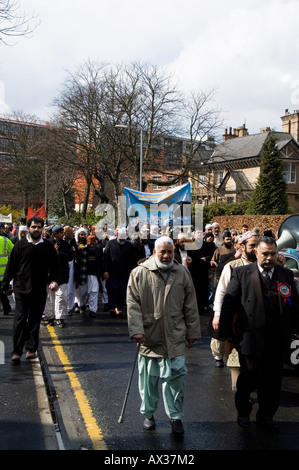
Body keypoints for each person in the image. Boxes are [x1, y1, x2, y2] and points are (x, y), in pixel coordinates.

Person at [218, 236, 299, 431]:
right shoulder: (241, 273)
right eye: (265, 254)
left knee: (272, 380)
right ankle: (243, 413)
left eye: (272, 253)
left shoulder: (285, 275)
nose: (269, 258)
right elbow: (229, 304)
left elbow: (294, 305)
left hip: (277, 338)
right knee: (248, 378)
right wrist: (225, 333)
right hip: (250, 337)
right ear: (256, 253)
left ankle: (266, 415)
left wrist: (296, 329)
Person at [127, 236, 201, 436]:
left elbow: (191, 305)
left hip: (175, 335)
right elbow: (132, 304)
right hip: (149, 337)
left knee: (176, 379)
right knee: (148, 381)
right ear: (154, 252)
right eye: (163, 252)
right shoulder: (139, 273)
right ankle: (148, 414)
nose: (167, 256)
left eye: (170, 252)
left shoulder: (183, 272)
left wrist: (193, 332)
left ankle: (175, 417)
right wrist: (136, 329)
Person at [2, 217, 59, 363]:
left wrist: (55, 280)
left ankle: (31, 349)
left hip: (39, 289)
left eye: (39, 227)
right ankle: (16, 351)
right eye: (34, 227)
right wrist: (5, 284)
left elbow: (55, 267)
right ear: (28, 228)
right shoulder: (20, 246)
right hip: (21, 289)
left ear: (42, 229)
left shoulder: (47, 247)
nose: (36, 230)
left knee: (34, 320)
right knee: (20, 319)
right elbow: (11, 266)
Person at [210, 232, 258, 369]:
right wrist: (217, 314)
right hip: (236, 317)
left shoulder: (262, 264)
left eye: (257, 245)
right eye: (252, 245)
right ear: (242, 247)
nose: (255, 249)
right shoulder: (232, 266)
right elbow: (221, 292)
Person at [44, 225, 74, 327]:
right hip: (49, 275)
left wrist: (58, 253)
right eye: (61, 233)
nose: (62, 234)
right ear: (55, 234)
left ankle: (60, 318)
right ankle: (50, 317)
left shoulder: (66, 245)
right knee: (50, 298)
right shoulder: (47, 244)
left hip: (61, 275)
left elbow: (70, 257)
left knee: (61, 297)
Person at [104, 227, 135, 317]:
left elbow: (131, 260)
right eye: (120, 236)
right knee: (111, 290)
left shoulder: (129, 245)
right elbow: (106, 258)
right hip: (112, 272)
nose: (122, 238)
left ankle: (119, 308)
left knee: (122, 291)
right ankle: (112, 308)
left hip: (124, 273)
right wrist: (105, 270)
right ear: (116, 235)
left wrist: (131, 271)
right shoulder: (110, 243)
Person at [75, 234, 104, 317]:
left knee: (94, 293)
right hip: (84, 276)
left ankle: (92, 310)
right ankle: (82, 305)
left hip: (95, 276)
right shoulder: (81, 251)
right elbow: (78, 265)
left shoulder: (99, 250)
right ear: (87, 242)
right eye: (90, 242)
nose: (92, 244)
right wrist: (76, 277)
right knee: (82, 294)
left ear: (96, 242)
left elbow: (101, 263)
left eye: (93, 242)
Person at [0, 228, 14, 315]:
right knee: (3, 292)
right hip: (3, 273)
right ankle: (6, 308)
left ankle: (6, 307)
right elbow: (14, 251)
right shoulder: (5, 241)